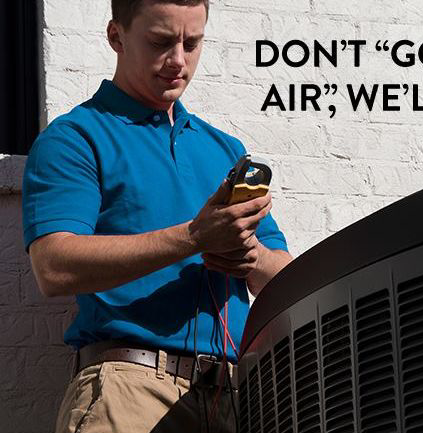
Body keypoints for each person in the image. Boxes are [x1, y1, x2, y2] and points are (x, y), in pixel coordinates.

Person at [22, 0, 293, 431]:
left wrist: (249, 255)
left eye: (192, 43)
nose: (179, 60)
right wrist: (195, 237)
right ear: (116, 36)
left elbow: (285, 280)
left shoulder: (225, 149)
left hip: (238, 398)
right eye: (161, 42)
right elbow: (53, 266)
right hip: (130, 391)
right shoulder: (74, 138)